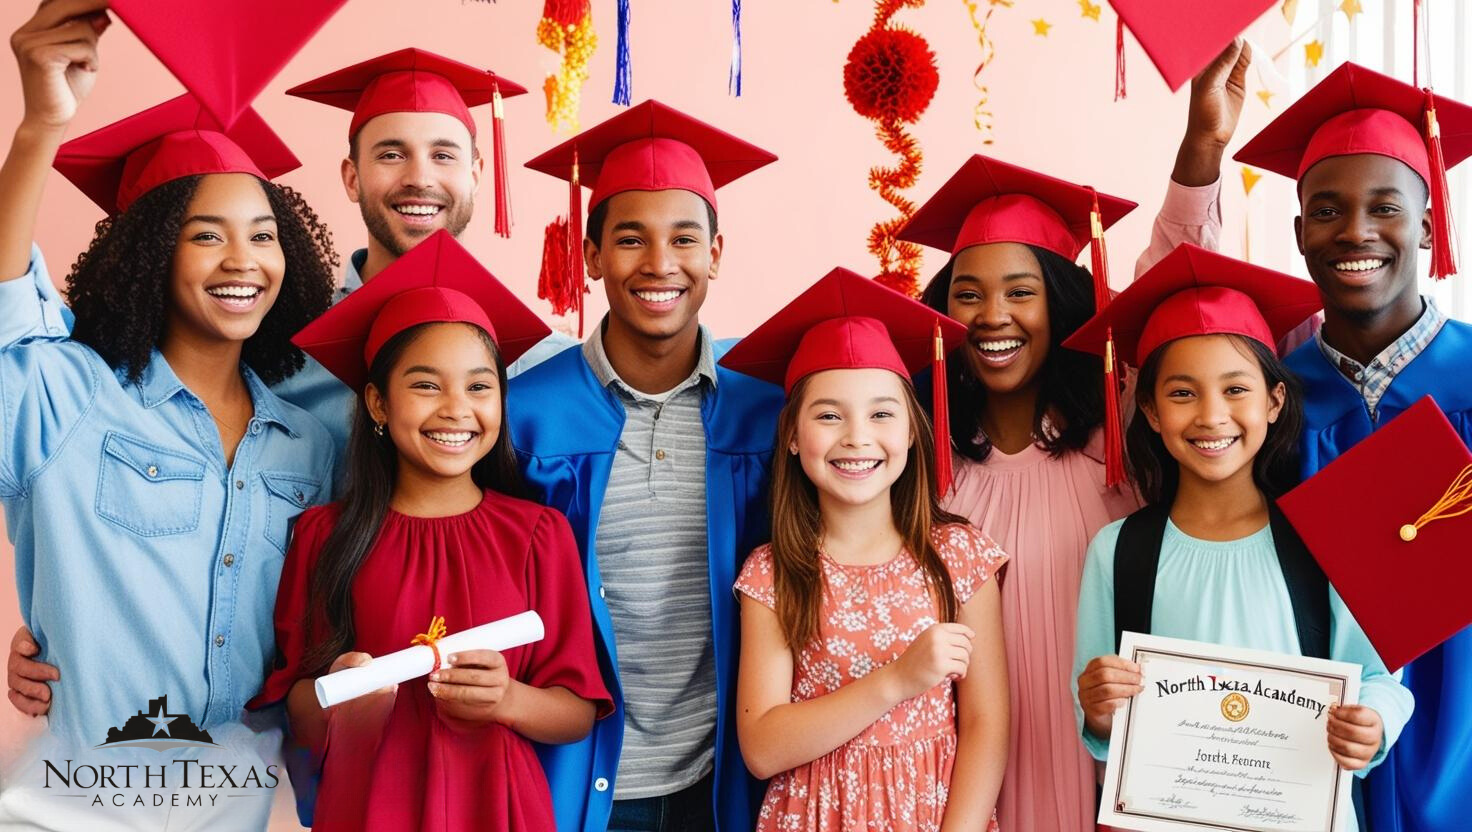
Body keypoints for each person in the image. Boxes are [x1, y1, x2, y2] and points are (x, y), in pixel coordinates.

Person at [898, 41, 1253, 832]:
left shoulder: (1120, 431)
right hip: (967, 757)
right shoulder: (924, 457)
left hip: (1119, 745)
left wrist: (1201, 146)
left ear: (1062, 304)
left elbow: (1178, 282)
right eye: (967, 295)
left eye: (1021, 292)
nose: (991, 316)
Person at [0, 1, 336, 825]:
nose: (242, 261)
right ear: (147, 255)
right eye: (204, 235)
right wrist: (41, 125)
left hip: (234, 806)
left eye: (263, 235)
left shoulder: (309, 445)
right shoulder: (70, 400)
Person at [249, 230, 611, 830]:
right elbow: (295, 710)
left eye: (479, 385)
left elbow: (576, 712)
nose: (455, 408)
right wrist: (339, 698)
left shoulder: (537, 534)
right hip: (370, 806)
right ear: (377, 404)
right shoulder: (325, 535)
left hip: (498, 809)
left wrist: (509, 699)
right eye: (424, 385)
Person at [1066, 243, 1414, 830]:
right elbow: (1102, 717)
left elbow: (1380, 678)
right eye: (1181, 393)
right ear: (1149, 410)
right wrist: (1099, 708)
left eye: (1235, 389)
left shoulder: (1323, 539)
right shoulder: (1119, 550)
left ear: (1275, 401)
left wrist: (1371, 721)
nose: (1210, 416)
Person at [509, 100, 782, 832]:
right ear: (592, 256)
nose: (660, 264)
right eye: (630, 239)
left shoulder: (768, 411)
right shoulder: (523, 414)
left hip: (720, 779)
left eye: (684, 239)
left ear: (716, 255)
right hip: (569, 775)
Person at [1232, 60, 1472, 832]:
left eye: (1385, 208)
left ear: (1429, 228)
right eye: (1328, 211)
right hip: (1310, 745)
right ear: (1300, 233)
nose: (1356, 231)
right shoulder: (1270, 401)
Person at [724, 268, 1009, 832]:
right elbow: (762, 746)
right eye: (828, 415)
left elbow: (987, 722)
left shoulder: (958, 554)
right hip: (814, 816)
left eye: (882, 414)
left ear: (911, 432)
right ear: (791, 435)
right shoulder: (774, 574)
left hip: (934, 815)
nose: (857, 437)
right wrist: (897, 680)